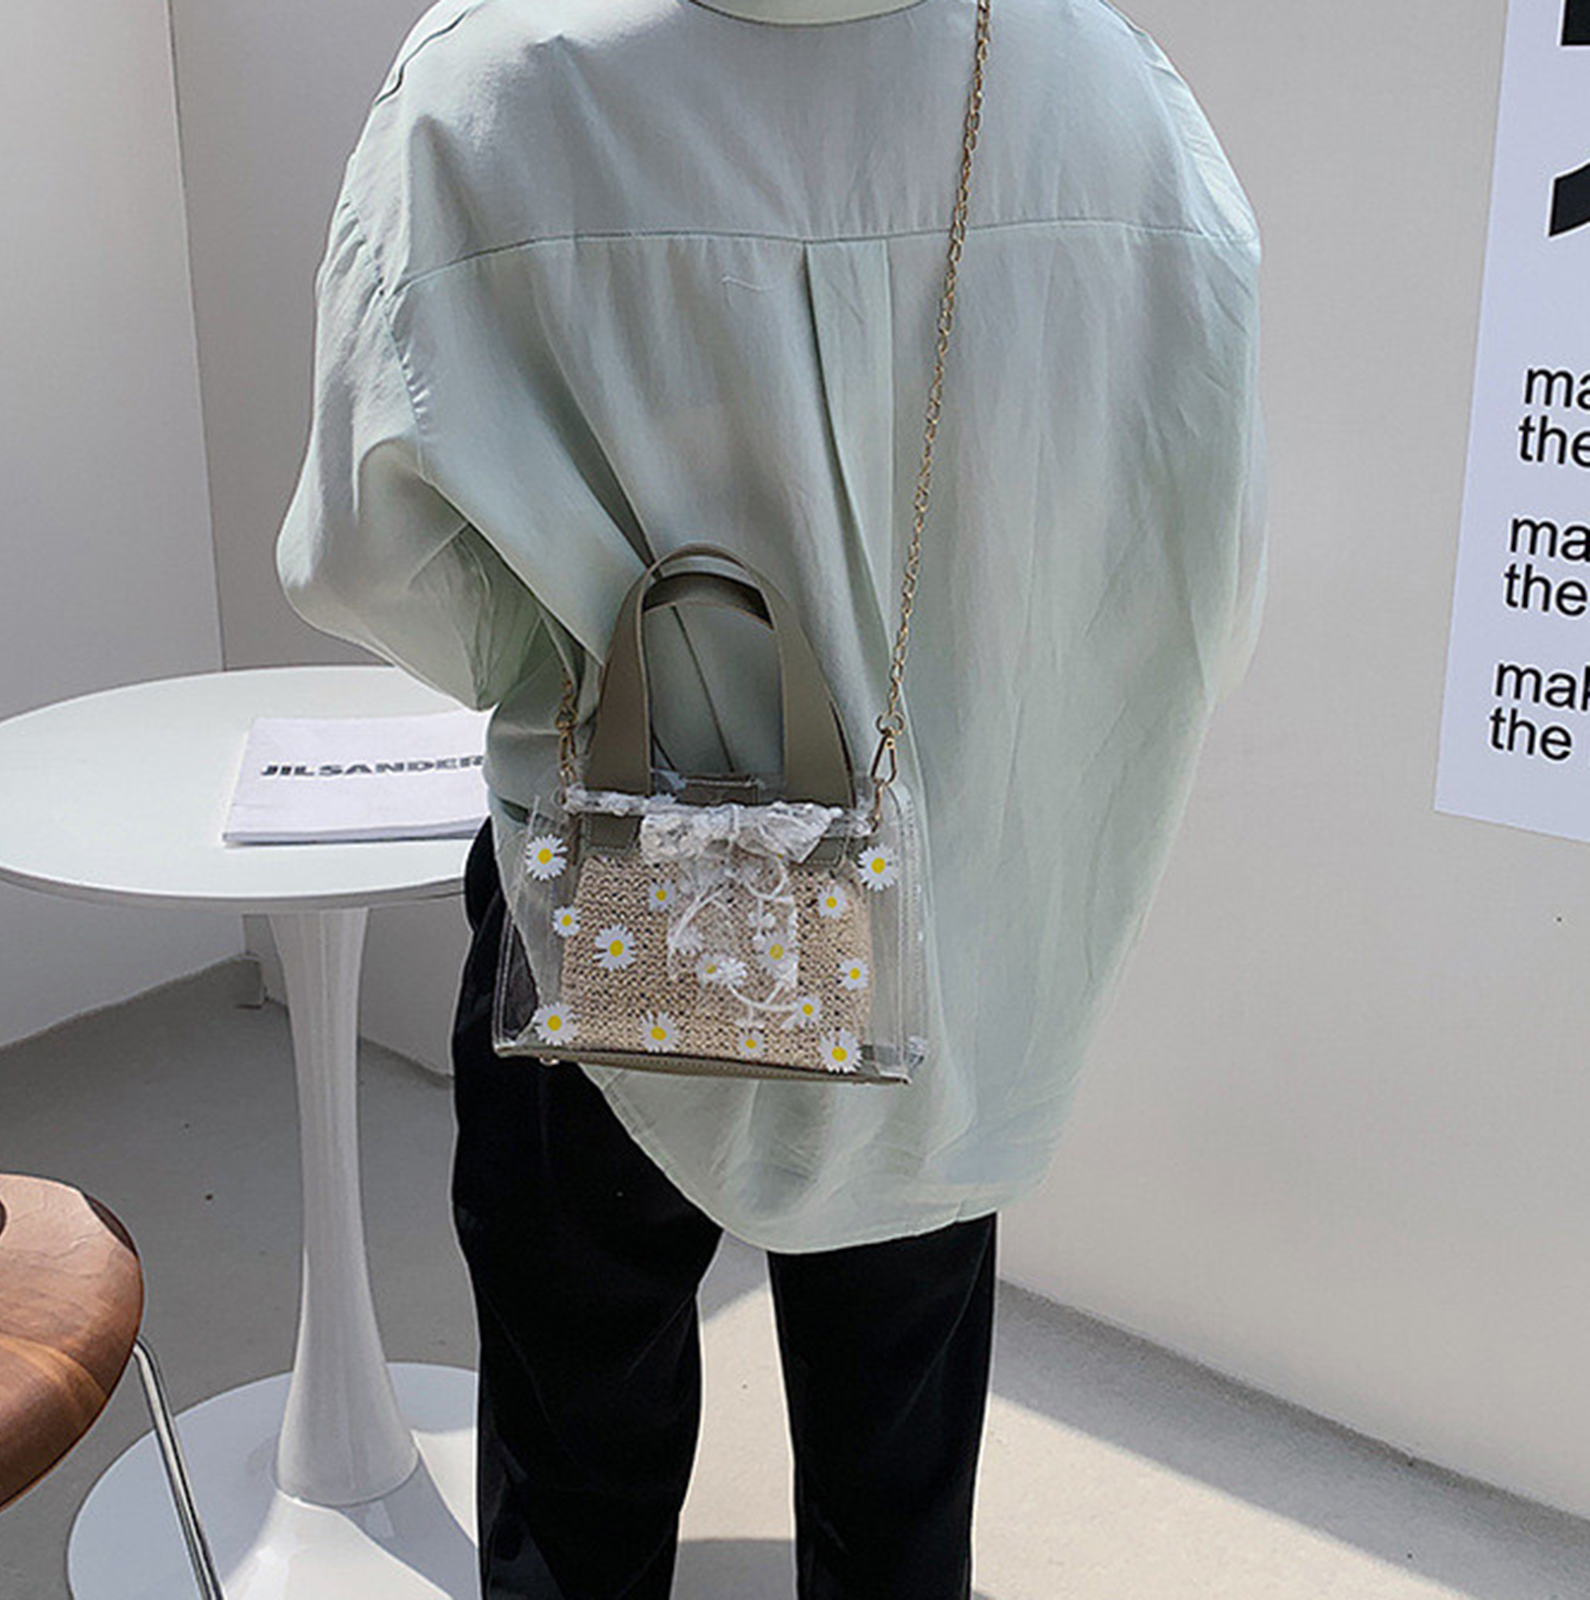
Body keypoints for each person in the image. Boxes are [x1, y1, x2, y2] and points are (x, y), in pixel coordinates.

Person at [275, 0, 1268, 1594]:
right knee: (899, 1486)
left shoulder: (490, 83)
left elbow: (370, 567)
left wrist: (578, 647)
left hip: (614, 890)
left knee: (575, 1473)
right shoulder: (1101, 85)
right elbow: (1195, 567)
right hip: (942, 932)